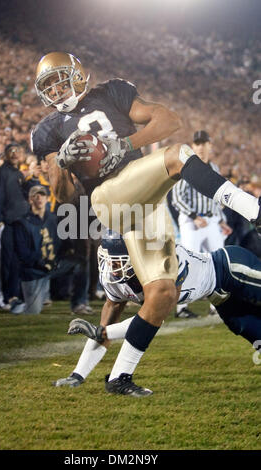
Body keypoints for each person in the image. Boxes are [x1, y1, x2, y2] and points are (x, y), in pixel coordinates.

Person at [32, 51, 261, 396]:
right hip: (107, 197)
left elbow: (169, 121)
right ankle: (254, 210)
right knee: (176, 155)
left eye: (57, 79)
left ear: (77, 74)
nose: (54, 89)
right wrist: (61, 163)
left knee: (162, 293)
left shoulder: (111, 93)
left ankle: (119, 378)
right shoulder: (47, 130)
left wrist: (121, 145)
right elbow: (64, 195)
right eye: (47, 85)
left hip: (144, 202)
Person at [54, 230, 261, 396]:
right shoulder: (115, 279)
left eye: (117, 262)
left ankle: (120, 378)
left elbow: (151, 318)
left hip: (229, 269)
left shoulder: (165, 264)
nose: (112, 268)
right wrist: (77, 375)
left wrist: (102, 332)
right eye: (108, 261)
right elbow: (106, 329)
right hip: (220, 297)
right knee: (253, 333)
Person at [171, 130, 232, 318]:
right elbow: (176, 198)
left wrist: (221, 220)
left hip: (211, 220)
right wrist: (193, 216)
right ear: (193, 146)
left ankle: (217, 306)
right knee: (187, 262)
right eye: (197, 144)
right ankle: (181, 308)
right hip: (191, 221)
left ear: (209, 145)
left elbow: (215, 198)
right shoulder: (187, 166)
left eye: (203, 143)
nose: (200, 147)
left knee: (219, 261)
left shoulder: (213, 167)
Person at [0, 142, 29, 309]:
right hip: (6, 224)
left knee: (16, 261)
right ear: (5, 155)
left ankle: (13, 296)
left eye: (17, 151)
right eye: (10, 151)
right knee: (4, 263)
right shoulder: (1, 173)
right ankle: (3, 298)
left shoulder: (19, 174)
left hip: (20, 224)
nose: (14, 154)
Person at [13, 186, 60, 314]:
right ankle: (16, 305)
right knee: (33, 311)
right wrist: (42, 262)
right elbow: (23, 253)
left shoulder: (53, 219)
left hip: (49, 270)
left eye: (42, 195)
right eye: (35, 195)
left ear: (47, 198)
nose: (39, 198)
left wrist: (56, 260)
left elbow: (58, 243)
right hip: (32, 272)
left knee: (78, 263)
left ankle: (77, 300)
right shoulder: (22, 223)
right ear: (30, 200)